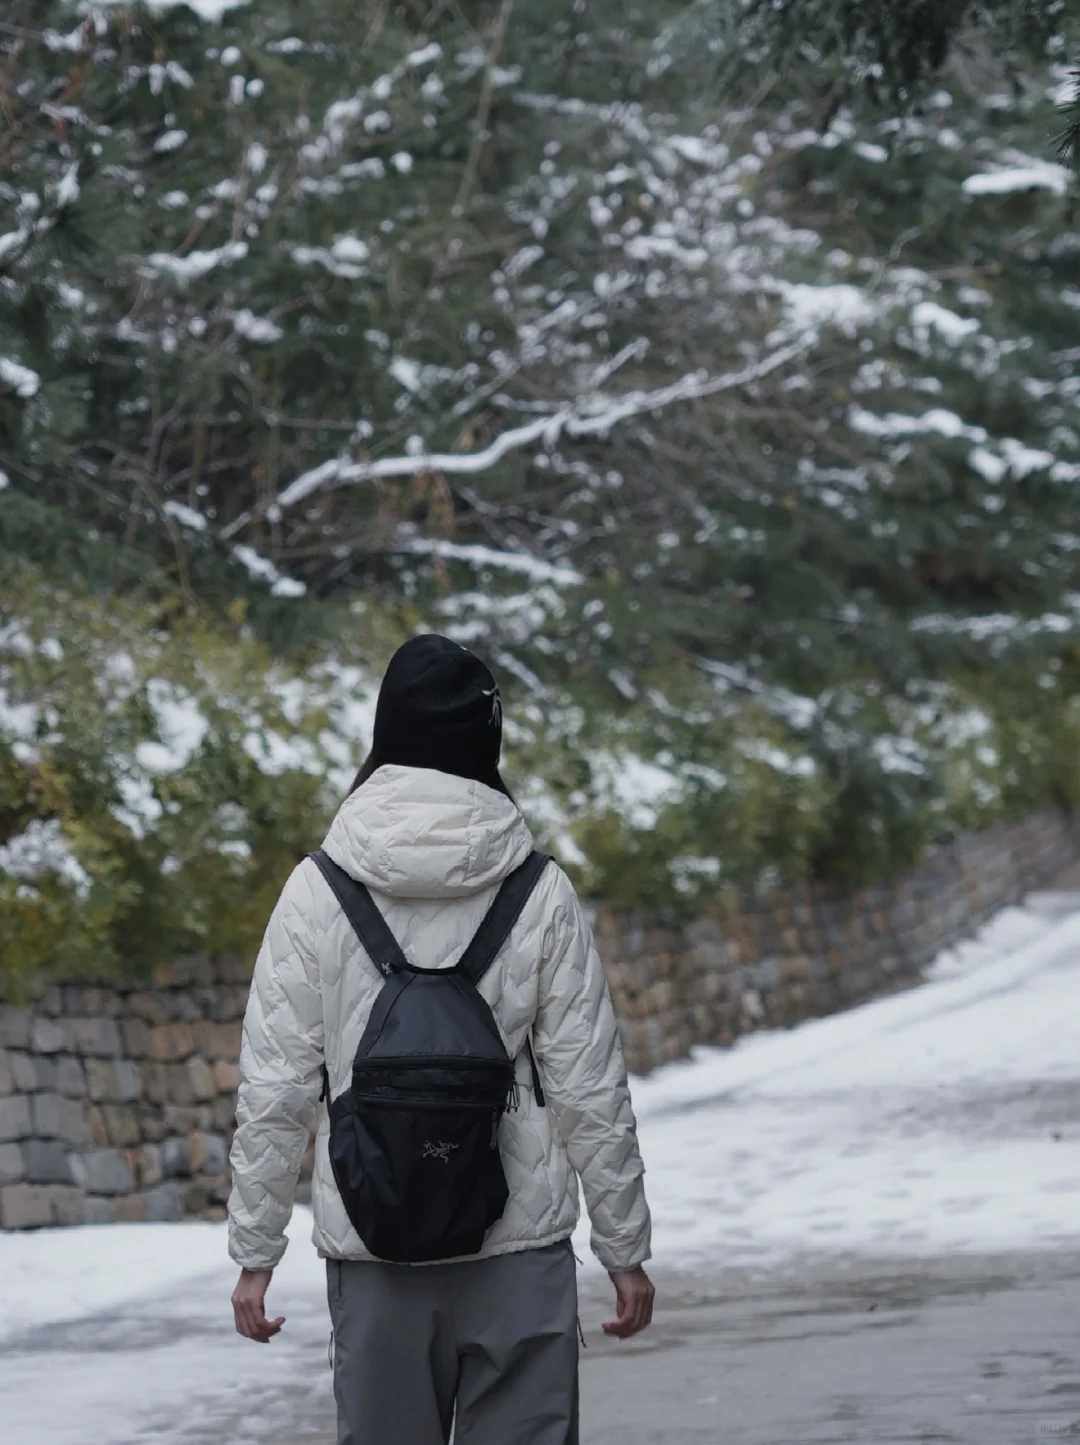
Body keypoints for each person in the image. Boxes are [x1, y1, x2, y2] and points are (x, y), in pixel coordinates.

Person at [227, 634, 653, 1445]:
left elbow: (275, 1085)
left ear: (385, 735)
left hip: (373, 1239)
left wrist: (256, 1250)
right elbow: (590, 1086)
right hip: (518, 1248)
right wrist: (624, 1244)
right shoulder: (539, 889)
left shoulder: (318, 889)